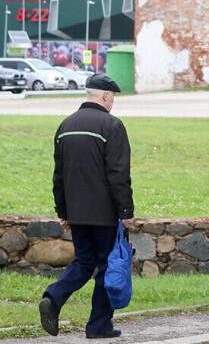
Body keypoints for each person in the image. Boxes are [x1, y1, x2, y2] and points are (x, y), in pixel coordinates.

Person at [39, 74, 134, 339]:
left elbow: (59, 176)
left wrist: (64, 212)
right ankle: (98, 326)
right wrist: (125, 213)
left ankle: (53, 297)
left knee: (83, 262)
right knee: (106, 267)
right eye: (112, 97)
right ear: (105, 95)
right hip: (104, 214)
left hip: (77, 213)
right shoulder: (112, 126)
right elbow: (118, 175)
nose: (113, 102)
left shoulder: (65, 126)